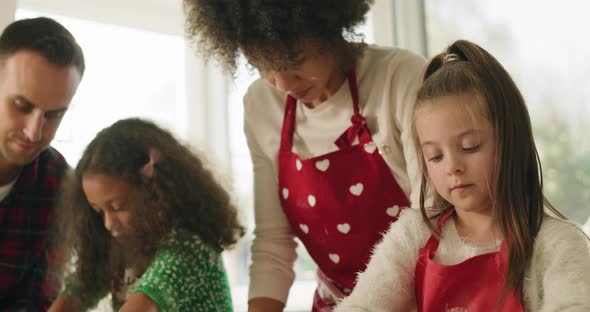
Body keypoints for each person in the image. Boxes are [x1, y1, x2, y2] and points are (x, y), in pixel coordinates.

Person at [184, 0, 426, 310]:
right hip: (337, 301)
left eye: (295, 59)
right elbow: (273, 242)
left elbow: (430, 215)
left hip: (422, 293)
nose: (282, 83)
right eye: (262, 65)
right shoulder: (261, 105)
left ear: (330, 31)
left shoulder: (398, 77)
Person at [334, 40, 590, 311]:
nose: (452, 166)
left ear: (511, 140)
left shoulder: (558, 244)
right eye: (435, 156)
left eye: (470, 147)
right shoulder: (413, 236)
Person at [48, 118, 244, 311]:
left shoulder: (188, 248)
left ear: (155, 193)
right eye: (98, 211)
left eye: (117, 207)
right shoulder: (120, 244)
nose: (108, 223)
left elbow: (144, 306)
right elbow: (75, 295)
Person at [0, 17, 84, 310]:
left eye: (54, 115)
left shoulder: (59, 184)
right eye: (22, 106)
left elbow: (36, 301)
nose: (34, 133)